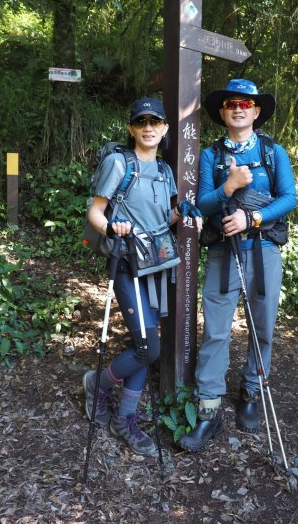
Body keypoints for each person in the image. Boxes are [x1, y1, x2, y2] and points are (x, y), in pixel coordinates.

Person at [179, 79, 297, 452]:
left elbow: (289, 198)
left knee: (262, 326)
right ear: (224, 112)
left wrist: (254, 218)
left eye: (246, 103)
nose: (239, 108)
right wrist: (228, 187)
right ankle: (208, 410)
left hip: (263, 251)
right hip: (223, 253)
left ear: (256, 111)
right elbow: (202, 205)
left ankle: (250, 391)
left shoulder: (272, 152)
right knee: (215, 330)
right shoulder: (212, 157)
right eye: (232, 103)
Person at [83, 97, 202, 456]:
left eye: (155, 122)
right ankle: (97, 384)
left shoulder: (165, 171)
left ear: (165, 128)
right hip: (127, 264)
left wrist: (181, 213)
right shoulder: (119, 163)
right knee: (148, 346)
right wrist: (112, 229)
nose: (148, 127)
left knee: (145, 348)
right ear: (132, 127)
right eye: (141, 121)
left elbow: (161, 221)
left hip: (155, 266)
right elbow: (95, 213)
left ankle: (124, 418)